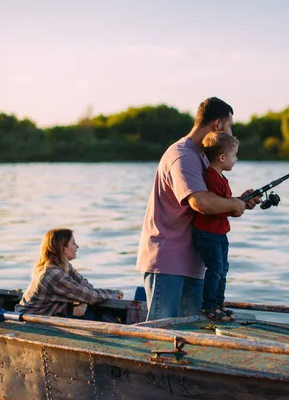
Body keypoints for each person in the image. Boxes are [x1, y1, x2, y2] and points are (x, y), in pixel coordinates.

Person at [136, 96, 260, 321]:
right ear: (217, 125)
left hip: (194, 261)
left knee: (191, 337)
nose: (231, 134)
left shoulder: (203, 158)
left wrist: (238, 202)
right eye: (230, 127)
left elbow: (213, 201)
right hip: (168, 261)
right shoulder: (183, 156)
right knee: (162, 335)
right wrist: (233, 205)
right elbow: (200, 202)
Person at [15, 228, 123, 320]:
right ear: (63, 248)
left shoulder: (63, 266)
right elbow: (91, 296)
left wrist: (84, 302)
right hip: (28, 321)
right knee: (91, 316)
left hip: (48, 316)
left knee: (91, 313)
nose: (77, 246)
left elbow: (86, 288)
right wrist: (117, 293)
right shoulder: (52, 274)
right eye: (73, 243)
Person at [192, 132, 239, 322]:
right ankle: (209, 306)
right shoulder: (211, 177)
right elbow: (214, 207)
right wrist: (233, 207)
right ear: (222, 157)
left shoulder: (221, 177)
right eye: (234, 155)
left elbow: (226, 203)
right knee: (216, 269)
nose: (236, 159)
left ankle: (219, 304)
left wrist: (241, 200)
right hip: (208, 234)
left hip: (220, 233)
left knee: (223, 269)